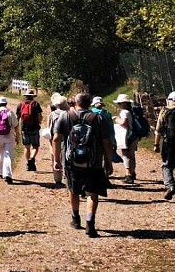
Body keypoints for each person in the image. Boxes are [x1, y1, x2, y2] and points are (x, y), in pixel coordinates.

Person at [52, 93, 114, 238]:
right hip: (94, 162)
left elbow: (56, 138)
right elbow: (106, 142)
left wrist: (56, 160)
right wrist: (108, 162)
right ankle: (90, 223)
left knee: (73, 189)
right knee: (93, 193)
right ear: (90, 104)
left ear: (74, 103)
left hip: (71, 162)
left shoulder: (65, 116)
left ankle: (75, 219)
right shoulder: (98, 118)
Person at [0, 97, 19, 184]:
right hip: (10, 136)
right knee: (8, 155)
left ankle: (0, 172)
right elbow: (16, 125)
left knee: (0, 154)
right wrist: (17, 137)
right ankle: (8, 174)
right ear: (6, 104)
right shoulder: (10, 112)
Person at [112, 94, 138, 184]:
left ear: (123, 103)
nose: (118, 105)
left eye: (119, 103)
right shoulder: (131, 111)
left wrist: (116, 120)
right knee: (132, 155)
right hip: (134, 135)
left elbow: (124, 123)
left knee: (126, 155)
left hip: (127, 136)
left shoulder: (124, 112)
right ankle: (132, 172)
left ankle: (128, 175)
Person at [16, 89, 43, 172]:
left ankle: (28, 164)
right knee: (35, 146)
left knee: (26, 147)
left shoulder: (20, 104)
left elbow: (17, 118)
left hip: (24, 128)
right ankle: (32, 158)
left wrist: (16, 129)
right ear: (33, 97)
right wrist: (40, 121)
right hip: (34, 128)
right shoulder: (36, 104)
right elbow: (40, 117)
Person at [48, 94, 68, 186]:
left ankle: (57, 178)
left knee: (55, 156)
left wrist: (50, 140)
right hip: (66, 138)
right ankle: (67, 175)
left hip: (55, 138)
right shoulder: (68, 114)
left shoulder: (52, 114)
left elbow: (49, 128)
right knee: (66, 156)